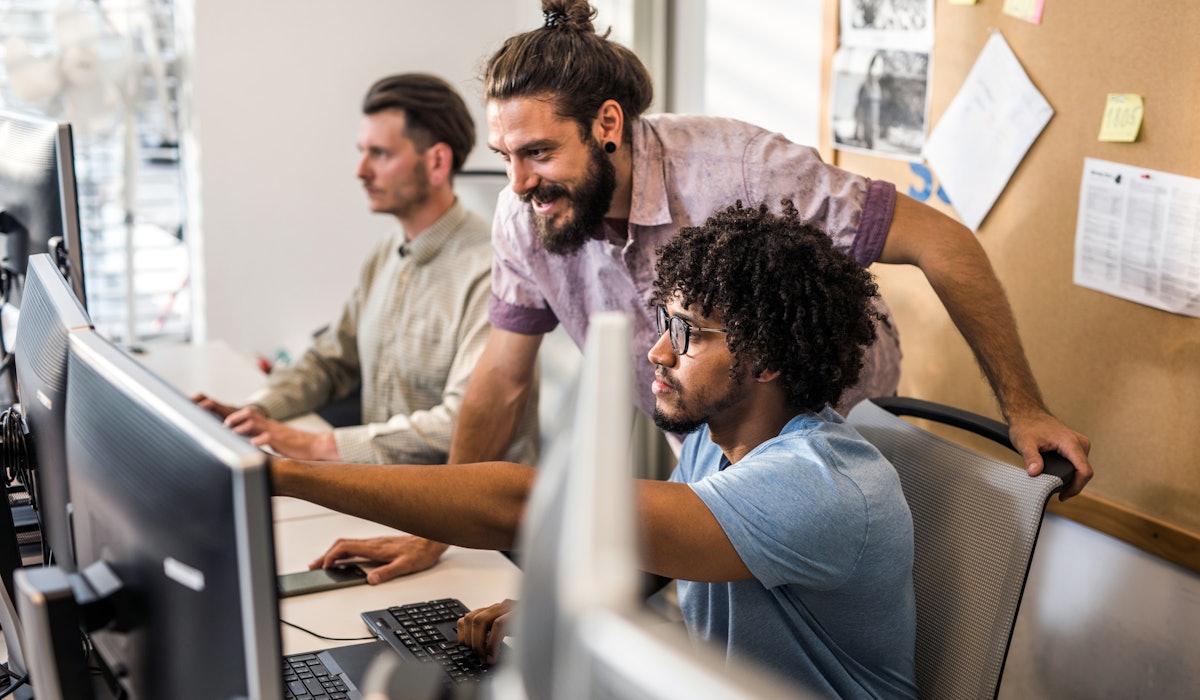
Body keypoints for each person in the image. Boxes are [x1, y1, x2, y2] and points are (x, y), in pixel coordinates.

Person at [317, 0, 1092, 581]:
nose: (517, 185)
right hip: (703, 456)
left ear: (607, 123)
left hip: (830, 449)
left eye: (539, 153)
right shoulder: (530, 218)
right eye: (504, 155)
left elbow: (942, 241)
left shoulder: (745, 172)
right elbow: (500, 378)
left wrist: (1021, 405)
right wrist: (435, 535)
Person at [282, 202, 918, 698]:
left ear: (771, 358)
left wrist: (287, 476)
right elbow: (663, 549)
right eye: (664, 323)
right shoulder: (718, 439)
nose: (658, 352)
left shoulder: (815, 484)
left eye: (687, 333)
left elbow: (522, 504)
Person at [194, 74, 539, 578]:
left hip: (470, 536)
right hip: (388, 504)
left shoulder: (490, 266)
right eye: (362, 151)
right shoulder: (388, 253)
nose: (360, 170)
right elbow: (334, 358)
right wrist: (254, 415)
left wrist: (311, 446)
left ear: (437, 162)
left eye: (379, 154)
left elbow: (456, 422)